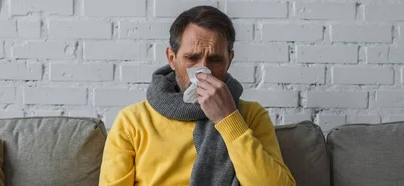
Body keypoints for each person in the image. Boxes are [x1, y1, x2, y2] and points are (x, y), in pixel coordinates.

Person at [99, 5, 296, 186]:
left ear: (229, 61)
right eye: (192, 58)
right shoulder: (132, 121)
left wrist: (228, 119)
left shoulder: (251, 115)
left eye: (216, 59)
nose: (203, 70)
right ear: (171, 58)